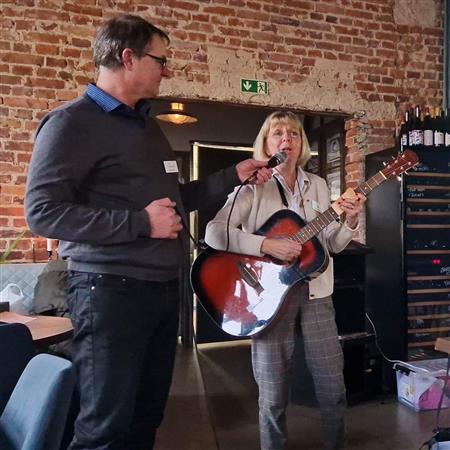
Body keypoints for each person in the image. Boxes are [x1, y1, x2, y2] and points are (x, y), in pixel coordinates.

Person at [25, 14, 271, 450]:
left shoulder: (147, 127)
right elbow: (42, 213)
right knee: (105, 427)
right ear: (127, 57)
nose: (166, 70)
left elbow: (175, 202)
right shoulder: (70, 123)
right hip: (108, 292)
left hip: (160, 291)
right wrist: (141, 222)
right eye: (161, 60)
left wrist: (233, 174)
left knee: (147, 416)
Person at [205, 111, 366, 450]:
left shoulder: (318, 185)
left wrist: (350, 222)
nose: (286, 139)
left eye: (293, 133)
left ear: (301, 143)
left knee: (333, 387)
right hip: (268, 297)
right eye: (277, 133)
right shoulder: (252, 187)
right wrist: (265, 245)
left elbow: (331, 245)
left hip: (317, 294)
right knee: (273, 393)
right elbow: (214, 233)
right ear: (266, 144)